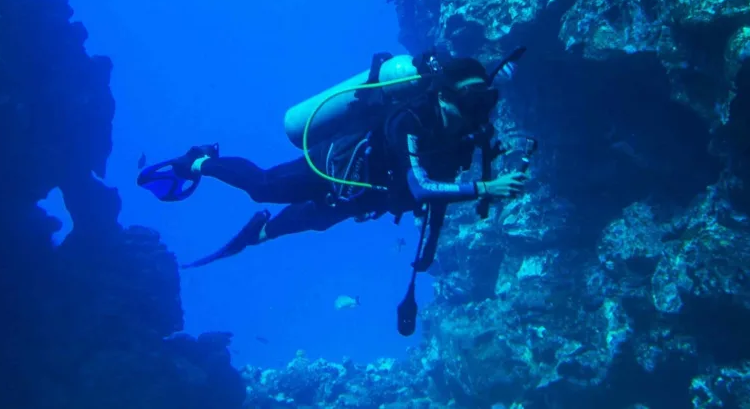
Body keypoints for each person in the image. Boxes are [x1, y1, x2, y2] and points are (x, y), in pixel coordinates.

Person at [139, 53, 529, 269]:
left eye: (486, 102)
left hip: (367, 193)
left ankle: (259, 234)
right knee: (264, 188)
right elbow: (421, 187)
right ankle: (199, 161)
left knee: (318, 220)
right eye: (471, 102)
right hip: (336, 165)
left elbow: (437, 191)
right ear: (444, 96)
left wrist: (427, 250)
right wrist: (484, 187)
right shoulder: (406, 120)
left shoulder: (462, 136)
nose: (480, 114)